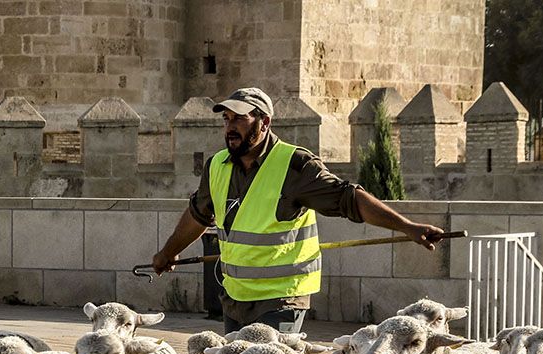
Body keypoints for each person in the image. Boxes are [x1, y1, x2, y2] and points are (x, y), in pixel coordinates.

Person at [152, 87, 444, 335]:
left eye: (240, 118)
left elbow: (350, 199)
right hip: (235, 298)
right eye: (227, 119)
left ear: (264, 122)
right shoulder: (216, 166)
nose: (230, 127)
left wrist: (409, 227)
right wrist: (168, 252)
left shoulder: (295, 165)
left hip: (282, 301)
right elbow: (198, 215)